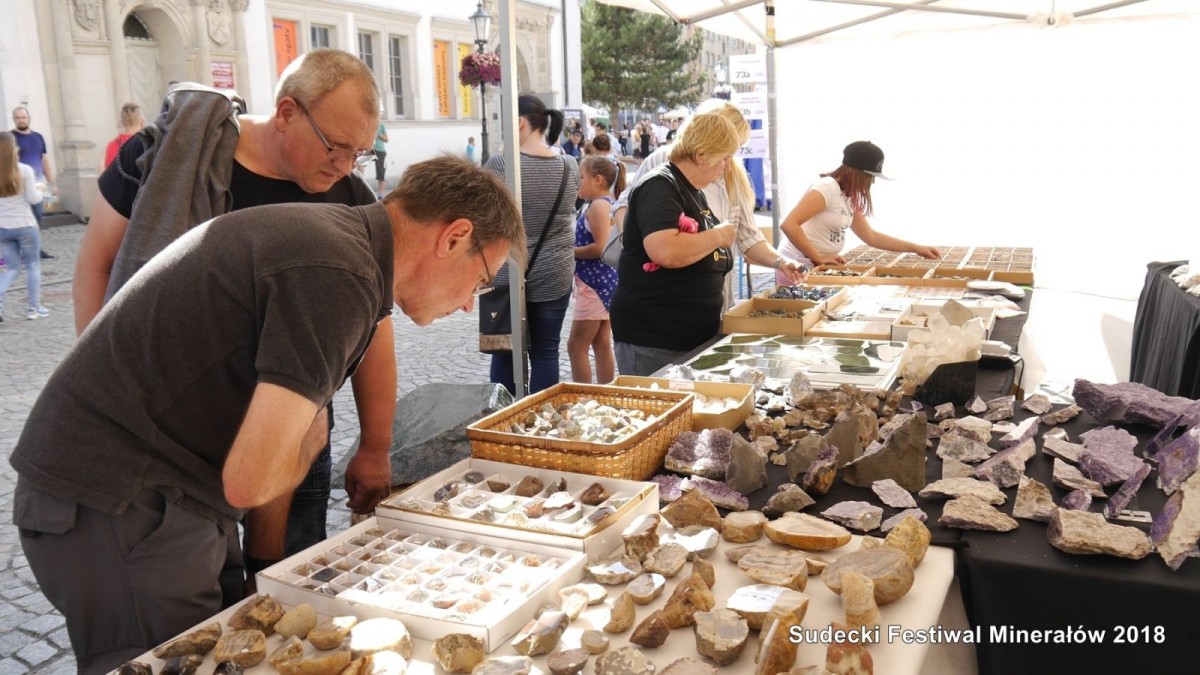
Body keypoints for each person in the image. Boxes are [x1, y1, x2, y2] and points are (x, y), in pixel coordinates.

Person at [10, 155, 523, 675]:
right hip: (115, 498)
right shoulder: (337, 273)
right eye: (482, 281)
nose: (468, 306)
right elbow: (252, 478)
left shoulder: (347, 253)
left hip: (161, 496)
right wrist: (305, 443)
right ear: (455, 236)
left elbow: (270, 450)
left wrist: (264, 568)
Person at [72, 49, 396, 586]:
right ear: (288, 111)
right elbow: (96, 264)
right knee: (183, 587)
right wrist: (104, 377)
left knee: (286, 580)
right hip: (174, 425)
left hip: (295, 422)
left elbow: (374, 327)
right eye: (336, 145)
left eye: (359, 153)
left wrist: (376, 445)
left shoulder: (352, 199)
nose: (344, 165)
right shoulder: (169, 155)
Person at [613, 100, 806, 310]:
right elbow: (631, 213)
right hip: (662, 309)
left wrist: (781, 262)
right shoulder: (663, 172)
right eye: (726, 153)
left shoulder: (730, 178)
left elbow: (747, 238)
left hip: (710, 306)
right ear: (705, 147)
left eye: (734, 152)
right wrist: (632, 241)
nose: (729, 164)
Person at [609, 113, 743, 376]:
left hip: (687, 338)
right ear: (702, 155)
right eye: (724, 157)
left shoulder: (690, 190)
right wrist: (718, 235)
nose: (727, 166)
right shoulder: (660, 186)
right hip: (655, 339)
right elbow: (665, 250)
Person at [484, 95, 580, 395]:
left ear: (520, 123)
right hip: (554, 272)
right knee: (546, 352)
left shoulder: (500, 164)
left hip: (506, 271)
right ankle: (539, 421)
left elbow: (482, 217)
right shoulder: (569, 165)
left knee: (505, 350)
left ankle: (502, 419)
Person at [775, 140, 940, 284]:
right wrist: (818, 257)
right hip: (798, 268)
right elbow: (789, 224)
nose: (872, 182)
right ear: (853, 171)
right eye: (869, 176)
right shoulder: (827, 187)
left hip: (819, 268)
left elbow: (871, 236)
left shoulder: (849, 196)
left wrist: (917, 248)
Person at [569, 155, 624, 384]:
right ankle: (604, 391)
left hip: (595, 285)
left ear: (598, 179)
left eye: (581, 177)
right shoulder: (604, 204)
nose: (577, 182)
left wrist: (570, 251)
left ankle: (583, 396)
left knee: (575, 346)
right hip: (602, 283)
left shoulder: (599, 206)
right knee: (601, 343)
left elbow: (600, 247)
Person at [0, 131, 47, 320]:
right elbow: (33, 198)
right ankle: (34, 308)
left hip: (2, 227)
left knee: (11, 268)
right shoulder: (24, 170)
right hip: (25, 225)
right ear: (13, 149)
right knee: (33, 265)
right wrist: (41, 191)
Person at [10, 106, 55, 259]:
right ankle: (21, 251)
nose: (21, 120)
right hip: (18, 185)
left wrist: (51, 183)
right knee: (21, 219)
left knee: (37, 216)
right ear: (14, 119)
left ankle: (36, 249)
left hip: (38, 184)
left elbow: (44, 160)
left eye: (23, 117)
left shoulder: (38, 137)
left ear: (29, 118)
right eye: (18, 118)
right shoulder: (10, 138)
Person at [103, 102, 145, 169]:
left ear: (122, 122)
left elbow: (105, 173)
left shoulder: (111, 145)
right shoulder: (146, 144)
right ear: (142, 122)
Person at [372, 120, 389, 195]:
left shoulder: (381, 125)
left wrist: (380, 135)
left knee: (381, 174)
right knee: (360, 163)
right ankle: (358, 186)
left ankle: (380, 195)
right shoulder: (369, 122)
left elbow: (386, 139)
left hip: (380, 151)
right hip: (370, 150)